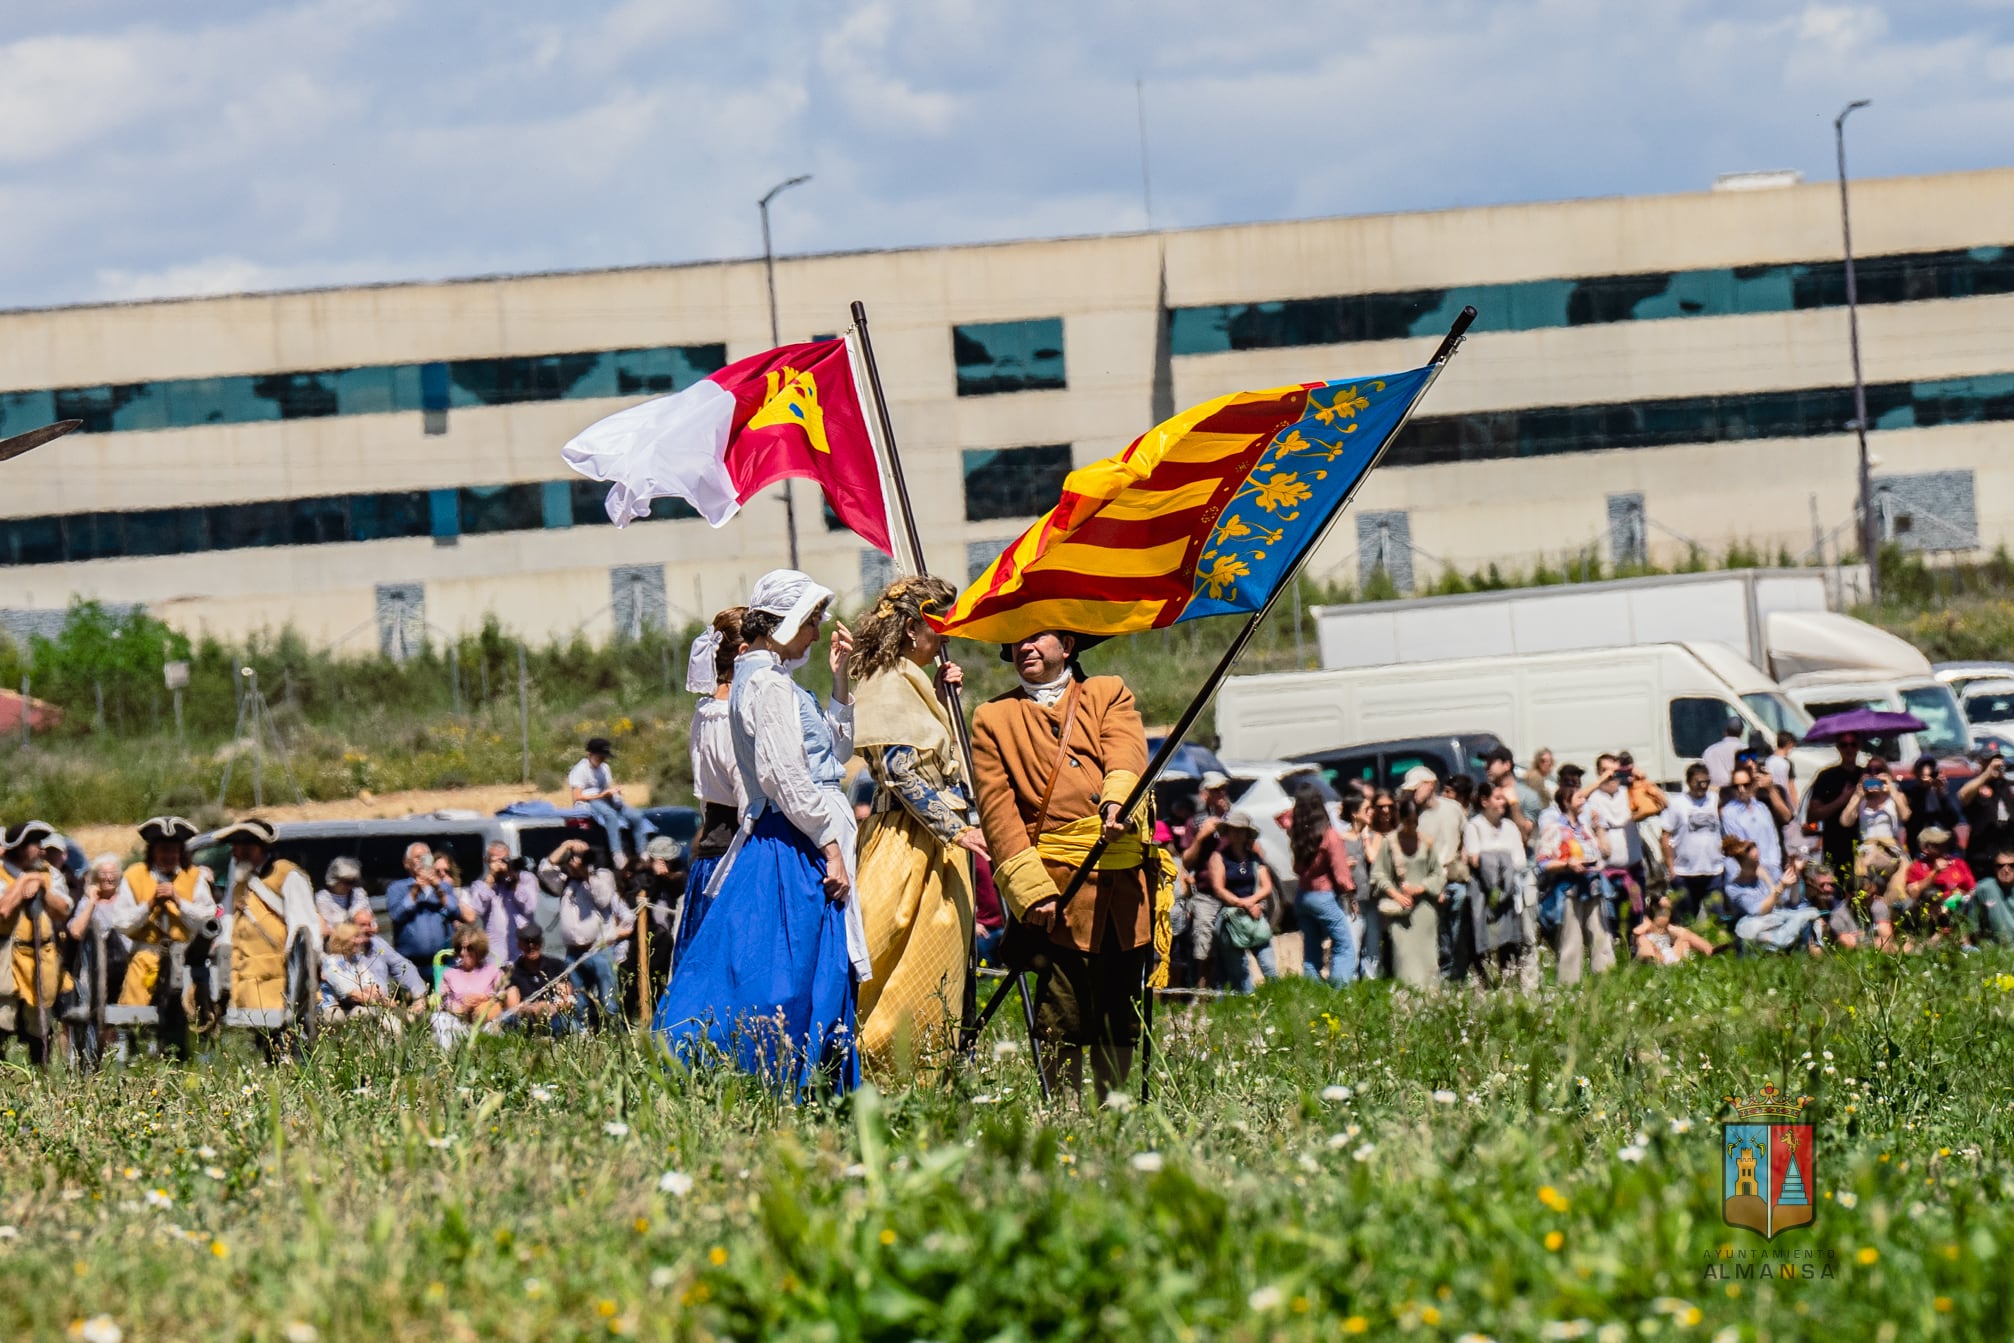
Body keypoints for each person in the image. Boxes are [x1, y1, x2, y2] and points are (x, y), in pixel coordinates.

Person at [654, 570, 867, 1097]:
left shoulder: (769, 678)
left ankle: (795, 1079)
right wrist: (828, 842)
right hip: (796, 836)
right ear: (787, 622)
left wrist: (840, 686)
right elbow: (784, 777)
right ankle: (795, 1083)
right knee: (791, 973)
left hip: (799, 828)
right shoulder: (769, 685)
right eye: (812, 622)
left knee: (795, 966)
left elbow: (829, 757)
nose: (816, 634)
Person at [971, 627, 1157, 1104]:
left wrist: (1118, 803)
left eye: (1038, 638)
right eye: (1019, 640)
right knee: (1062, 1015)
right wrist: (1032, 891)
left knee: (1120, 1012)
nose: (1025, 647)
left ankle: (1114, 1113)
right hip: (1056, 890)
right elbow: (998, 813)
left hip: (1121, 880)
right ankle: (1067, 1118)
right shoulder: (993, 717)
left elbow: (1126, 756)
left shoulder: (1106, 692)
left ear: (1068, 646)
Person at [848, 576, 986, 1076]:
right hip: (906, 840)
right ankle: (886, 1065)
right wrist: (956, 828)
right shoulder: (885, 680)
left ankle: (941, 1065)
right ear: (912, 627)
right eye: (939, 627)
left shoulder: (912, 676)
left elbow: (943, 760)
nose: (946, 637)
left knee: (946, 960)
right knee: (891, 949)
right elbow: (900, 769)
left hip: (939, 843)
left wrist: (950, 701)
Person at [105, 816, 217, 1049]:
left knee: (189, 1008)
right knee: (133, 1012)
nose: (168, 856)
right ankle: (135, 1048)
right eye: (163, 850)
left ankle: (188, 1048)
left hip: (184, 956)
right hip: (146, 956)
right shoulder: (135, 875)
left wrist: (178, 900)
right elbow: (122, 922)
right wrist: (149, 904)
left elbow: (207, 917)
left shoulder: (194, 877)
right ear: (153, 851)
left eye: (173, 851)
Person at [680, 607, 748, 967]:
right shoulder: (727, 720)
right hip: (732, 860)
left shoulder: (704, 715)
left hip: (711, 854)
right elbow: (748, 802)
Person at [211, 819, 319, 1024]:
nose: (236, 852)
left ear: (261, 848)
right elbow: (227, 927)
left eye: (244, 846)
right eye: (234, 846)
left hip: (277, 985)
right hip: (242, 984)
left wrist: (298, 987)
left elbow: (303, 933)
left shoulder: (287, 875)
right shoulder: (239, 884)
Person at [539, 837, 633, 1029]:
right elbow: (544, 870)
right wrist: (566, 845)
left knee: (608, 997)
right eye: (575, 858)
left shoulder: (602, 877)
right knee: (579, 999)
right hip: (573, 952)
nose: (578, 861)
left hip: (598, 950)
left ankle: (615, 1032)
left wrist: (585, 873)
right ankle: (585, 1034)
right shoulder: (565, 883)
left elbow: (604, 898)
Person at [0, 821, 73, 1064]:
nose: (41, 850)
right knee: (4, 1016)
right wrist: (22, 883)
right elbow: (3, 910)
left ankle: (39, 1073)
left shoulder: (48, 873)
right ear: (18, 847)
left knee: (40, 1022)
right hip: (8, 953)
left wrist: (42, 887)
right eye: (34, 844)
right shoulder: (1, 872)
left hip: (42, 953)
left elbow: (63, 909)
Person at [1535, 785, 1614, 985]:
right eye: (1579, 797)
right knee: (1572, 938)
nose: (1583, 801)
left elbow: (1603, 852)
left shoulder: (1584, 828)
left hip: (1592, 885)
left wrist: (1598, 830)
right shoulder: (1555, 829)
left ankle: (1605, 979)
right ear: (1566, 802)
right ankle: (1570, 984)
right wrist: (1566, 864)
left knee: (1600, 933)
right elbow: (1543, 861)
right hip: (1570, 889)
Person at [1462, 783, 1535, 990]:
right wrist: (1502, 860)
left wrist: (1492, 859)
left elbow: (1519, 860)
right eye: (1497, 798)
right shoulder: (1474, 826)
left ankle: (1509, 983)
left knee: (1510, 942)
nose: (1503, 803)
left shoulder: (1510, 827)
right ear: (1484, 801)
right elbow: (1475, 861)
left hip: (1510, 891)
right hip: (1483, 893)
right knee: (1484, 939)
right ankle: (1483, 985)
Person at [1371, 796, 1446, 988]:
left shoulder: (1426, 843)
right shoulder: (1390, 843)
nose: (1412, 826)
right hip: (1400, 913)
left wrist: (1422, 887)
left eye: (1415, 822)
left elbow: (1438, 873)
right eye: (1408, 822)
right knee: (1404, 960)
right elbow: (1379, 874)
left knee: (1428, 960)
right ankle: (1406, 1003)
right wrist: (1396, 894)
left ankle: (1430, 1004)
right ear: (1400, 819)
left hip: (1424, 910)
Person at [1401, 765, 1467, 980]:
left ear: (1431, 784)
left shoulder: (1453, 808)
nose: (1413, 793)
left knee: (1458, 932)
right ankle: (1443, 979)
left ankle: (1457, 977)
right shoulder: (1414, 817)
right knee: (1438, 935)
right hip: (1430, 882)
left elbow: (1466, 838)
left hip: (1456, 878)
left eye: (1416, 788)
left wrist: (1464, 864)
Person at [1289, 785, 1357, 986]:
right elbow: (1341, 874)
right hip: (1324, 896)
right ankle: (1340, 989)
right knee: (1344, 945)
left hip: (1303, 896)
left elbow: (1298, 868)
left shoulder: (1297, 835)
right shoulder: (1329, 835)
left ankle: (1312, 989)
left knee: (1311, 948)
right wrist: (1350, 894)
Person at [1203, 811, 1275, 992]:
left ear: (1246, 834)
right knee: (1239, 972)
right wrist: (1245, 904)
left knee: (1269, 965)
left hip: (1255, 915)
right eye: (1232, 830)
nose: (1236, 834)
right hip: (1232, 918)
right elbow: (1219, 888)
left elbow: (1266, 886)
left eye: (1240, 830)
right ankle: (1246, 1005)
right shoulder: (1219, 857)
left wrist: (1252, 902)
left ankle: (1278, 1000)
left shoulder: (1254, 858)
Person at [569, 736, 658, 869]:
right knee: (610, 815)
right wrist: (601, 795)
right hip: (589, 800)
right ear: (590, 754)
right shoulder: (580, 770)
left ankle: (642, 852)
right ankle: (617, 853)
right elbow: (577, 796)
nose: (603, 760)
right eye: (600, 757)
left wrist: (613, 793)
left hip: (604, 797)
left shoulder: (604, 768)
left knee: (636, 816)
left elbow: (605, 788)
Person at [1580, 755, 1643, 923]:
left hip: (1633, 870)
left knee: (1635, 920)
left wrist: (1640, 778)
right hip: (1608, 873)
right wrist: (1600, 781)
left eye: (1614, 771)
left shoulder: (1628, 793)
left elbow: (1660, 803)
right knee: (1611, 922)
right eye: (1605, 770)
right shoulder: (1593, 797)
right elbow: (1577, 799)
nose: (1611, 776)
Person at [386, 842, 464, 972]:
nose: (422, 861)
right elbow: (397, 915)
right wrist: (415, 890)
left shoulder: (443, 887)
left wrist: (438, 888)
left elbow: (455, 912)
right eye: (418, 857)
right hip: (410, 963)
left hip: (442, 961)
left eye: (426, 857)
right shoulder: (397, 888)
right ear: (406, 863)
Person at [1726, 845, 1819, 953]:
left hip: (1778, 917)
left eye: (1758, 860)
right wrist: (1780, 887)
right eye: (1754, 862)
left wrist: (1795, 872)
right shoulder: (1734, 888)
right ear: (1742, 865)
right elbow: (1761, 911)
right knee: (1748, 929)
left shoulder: (1770, 871)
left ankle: (1801, 959)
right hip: (1755, 922)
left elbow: (1793, 902)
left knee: (1807, 919)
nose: (1758, 865)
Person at [1662, 765, 1725, 923]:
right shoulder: (1677, 803)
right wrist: (1671, 868)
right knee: (1686, 920)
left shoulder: (1714, 800)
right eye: (1698, 782)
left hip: (1713, 871)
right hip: (1685, 872)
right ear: (1689, 781)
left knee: (1717, 918)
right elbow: (1665, 836)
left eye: (1706, 782)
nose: (1702, 787)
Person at [462, 842, 541, 968]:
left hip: (522, 952)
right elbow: (478, 909)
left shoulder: (526, 879)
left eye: (504, 859)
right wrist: (491, 879)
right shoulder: (480, 885)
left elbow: (530, 906)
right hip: (496, 955)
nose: (502, 864)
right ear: (486, 860)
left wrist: (514, 882)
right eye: (496, 860)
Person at [1805, 734, 1867, 877]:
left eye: (1853, 744)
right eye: (1844, 744)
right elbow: (1812, 816)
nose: (1849, 748)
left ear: (1858, 747)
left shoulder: (1865, 775)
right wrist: (1842, 800)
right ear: (1838, 747)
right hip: (1836, 843)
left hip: (1864, 843)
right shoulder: (1826, 776)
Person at [502, 924, 578, 1035]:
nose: (531, 946)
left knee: (571, 1025)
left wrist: (547, 1008)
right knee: (508, 1022)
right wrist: (530, 1009)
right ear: (519, 945)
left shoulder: (557, 966)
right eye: (527, 942)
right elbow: (512, 1007)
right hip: (526, 1020)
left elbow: (566, 1000)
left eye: (535, 941)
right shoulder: (512, 972)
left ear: (541, 943)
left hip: (553, 1017)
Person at [432, 928, 503, 1046]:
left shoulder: (493, 971)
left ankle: (489, 1053)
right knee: (439, 1019)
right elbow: (441, 1001)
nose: (463, 953)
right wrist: (453, 1007)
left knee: (496, 1021)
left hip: (483, 1020)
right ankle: (445, 1057)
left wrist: (484, 998)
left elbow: (502, 996)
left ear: (479, 950)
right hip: (459, 1022)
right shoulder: (449, 973)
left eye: (469, 948)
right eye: (460, 948)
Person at [1719, 767, 1783, 889]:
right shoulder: (1729, 812)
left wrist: (1775, 864)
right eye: (1736, 786)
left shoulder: (1761, 807)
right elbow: (1741, 848)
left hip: (1773, 867)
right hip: (1749, 873)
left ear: (1753, 784)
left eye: (1746, 785)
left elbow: (1772, 838)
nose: (1741, 789)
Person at [1343, 794, 1385, 981]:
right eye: (1367, 809)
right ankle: (1351, 986)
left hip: (1372, 899)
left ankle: (1370, 984)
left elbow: (1373, 859)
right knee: (1352, 946)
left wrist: (1366, 838)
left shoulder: (1376, 836)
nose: (1372, 812)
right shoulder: (1340, 838)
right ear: (1354, 814)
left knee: (1373, 946)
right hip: (1351, 900)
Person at [1959, 751, 2014, 877]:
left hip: (2007, 857)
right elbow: (1962, 796)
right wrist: (1987, 774)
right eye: (1992, 761)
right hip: (1982, 857)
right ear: (1982, 763)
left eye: (1999, 760)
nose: (1997, 765)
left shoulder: (2006, 785)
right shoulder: (1976, 784)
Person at [1900, 756, 1963, 855]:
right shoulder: (1910, 793)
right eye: (1921, 770)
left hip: (1945, 845)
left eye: (1932, 770)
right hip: (1920, 846)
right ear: (1916, 774)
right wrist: (1923, 789)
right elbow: (1911, 821)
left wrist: (1941, 793)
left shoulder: (1945, 791)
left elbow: (1954, 819)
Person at [1842, 761, 1908, 847]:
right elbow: (1845, 822)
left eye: (1878, 770)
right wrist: (1858, 795)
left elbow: (1905, 815)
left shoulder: (1895, 796)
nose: (1874, 774)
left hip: (1890, 848)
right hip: (1867, 848)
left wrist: (1891, 789)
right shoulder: (1862, 798)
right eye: (1869, 770)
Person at [1180, 771, 1234, 875]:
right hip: (1205, 885)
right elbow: (1187, 863)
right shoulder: (1195, 822)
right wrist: (1201, 837)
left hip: (1235, 884)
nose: (1221, 793)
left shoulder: (1234, 819)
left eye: (1223, 789)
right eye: (1216, 790)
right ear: (1204, 794)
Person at [1634, 895, 1715, 964]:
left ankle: (1710, 950)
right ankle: (1653, 960)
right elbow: (1636, 932)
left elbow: (1684, 933)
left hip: (1669, 956)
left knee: (1685, 937)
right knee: (1643, 940)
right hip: (1654, 955)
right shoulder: (1647, 923)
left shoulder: (1669, 928)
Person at [1904, 827, 1975, 904]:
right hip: (1932, 909)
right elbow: (1912, 894)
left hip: (1959, 908)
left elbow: (1972, 889)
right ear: (1926, 849)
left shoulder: (1958, 863)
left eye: (1945, 843)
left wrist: (1963, 896)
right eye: (1939, 844)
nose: (1944, 847)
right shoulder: (1917, 867)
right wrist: (1935, 871)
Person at [1965, 850, 2014, 946]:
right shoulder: (1983, 889)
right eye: (2000, 866)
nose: (2006, 870)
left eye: (2012, 865)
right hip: (1994, 951)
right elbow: (1972, 926)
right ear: (1994, 868)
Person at [315, 856, 369, 932]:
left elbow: (372, 924)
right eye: (347, 882)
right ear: (334, 879)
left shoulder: (359, 894)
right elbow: (326, 930)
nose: (351, 886)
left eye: (353, 882)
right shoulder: (323, 898)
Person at [1702, 717, 1745, 789]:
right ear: (1742, 733)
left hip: (1715, 793)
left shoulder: (1710, 750)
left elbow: (1703, 773)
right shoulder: (1746, 750)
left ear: (1725, 731)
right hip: (1738, 792)